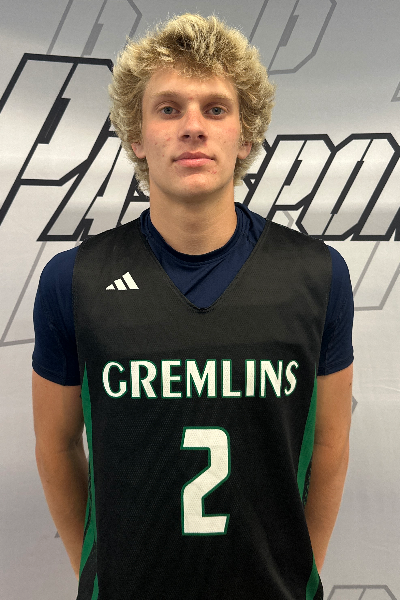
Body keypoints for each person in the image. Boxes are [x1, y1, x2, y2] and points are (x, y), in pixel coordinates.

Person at [32, 13, 353, 600]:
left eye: (215, 108)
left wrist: (295, 572)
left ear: (245, 136)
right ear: (137, 136)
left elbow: (329, 446)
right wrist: (100, 571)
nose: (193, 128)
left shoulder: (318, 275)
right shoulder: (73, 280)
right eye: (168, 108)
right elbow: (56, 445)